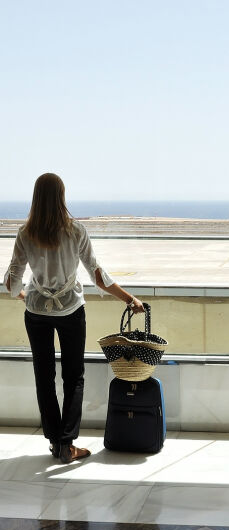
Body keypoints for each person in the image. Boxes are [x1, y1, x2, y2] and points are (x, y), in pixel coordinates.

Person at [3, 173, 145, 464]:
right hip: (70, 310)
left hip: (37, 312)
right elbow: (98, 276)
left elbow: (12, 283)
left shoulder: (25, 233)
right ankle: (67, 444)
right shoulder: (75, 231)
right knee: (73, 376)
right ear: (61, 197)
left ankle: (56, 442)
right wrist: (129, 299)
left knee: (44, 377)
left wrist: (23, 295)